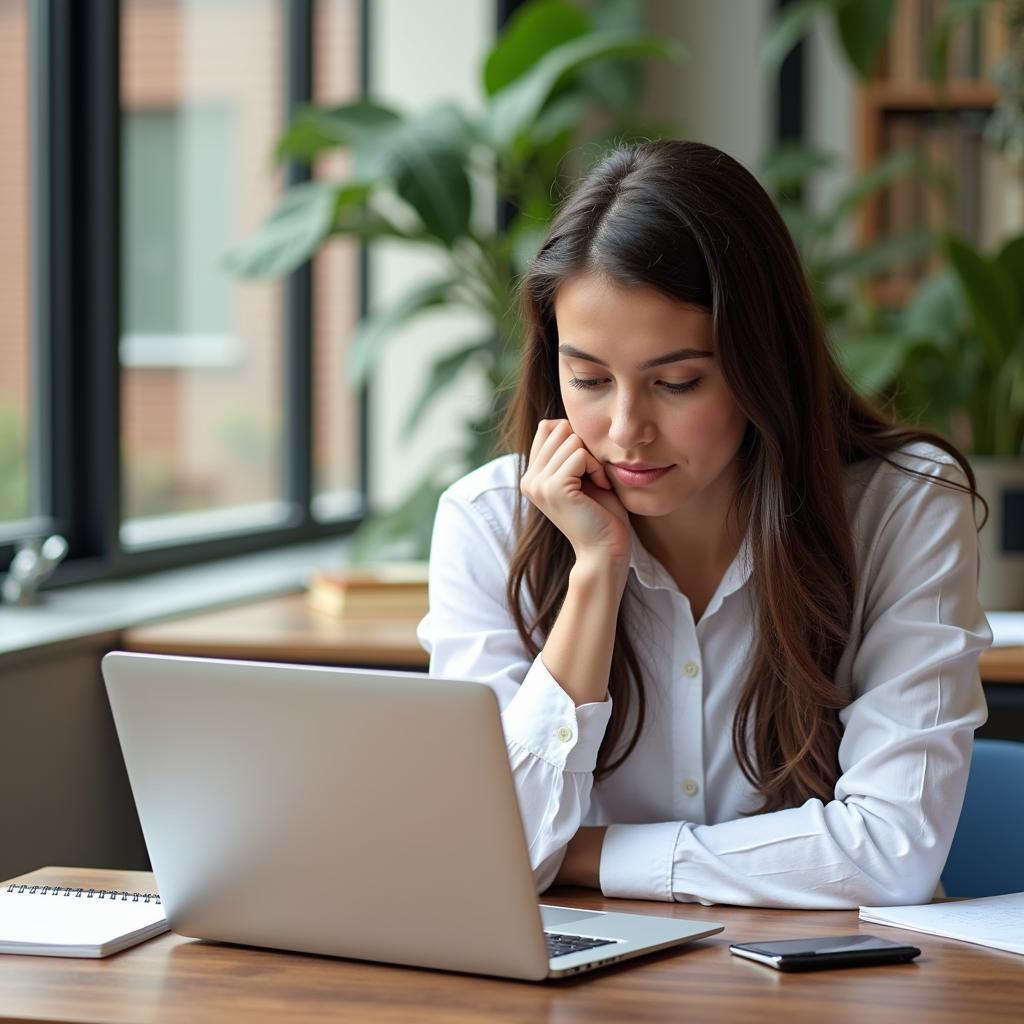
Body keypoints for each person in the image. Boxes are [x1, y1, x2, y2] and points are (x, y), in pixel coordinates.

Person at [415, 139, 992, 909]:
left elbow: (893, 854)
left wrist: (588, 853)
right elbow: (480, 855)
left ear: (763, 362)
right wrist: (594, 575)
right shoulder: (488, 522)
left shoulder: (902, 505)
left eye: (677, 382)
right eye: (587, 378)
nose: (625, 429)